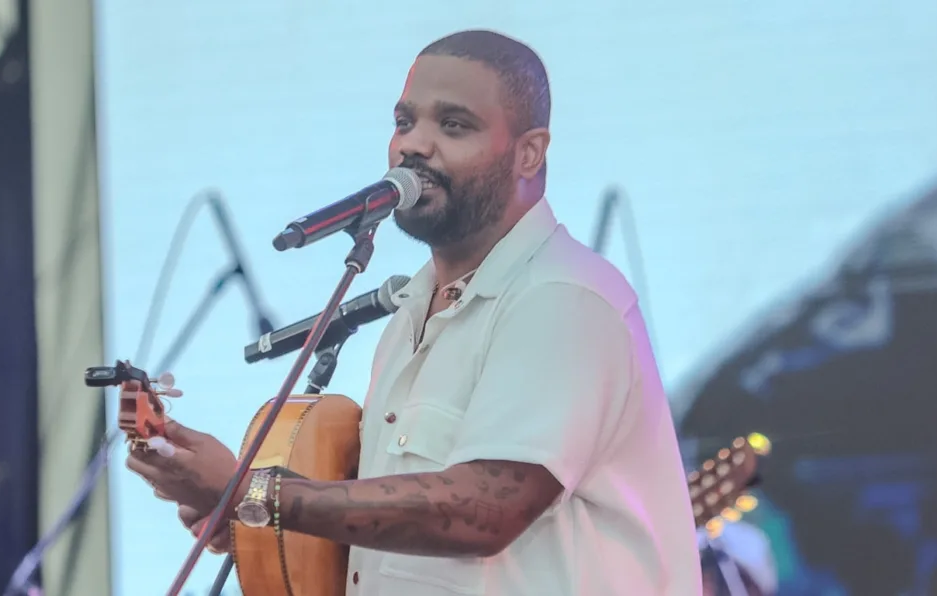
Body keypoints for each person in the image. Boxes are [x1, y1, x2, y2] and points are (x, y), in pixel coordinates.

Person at [126, 29, 701, 595]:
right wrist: (245, 517)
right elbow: (399, 538)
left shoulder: (564, 296)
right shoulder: (410, 313)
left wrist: (251, 492)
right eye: (405, 123)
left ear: (530, 153)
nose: (414, 146)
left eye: (453, 125)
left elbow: (481, 510)